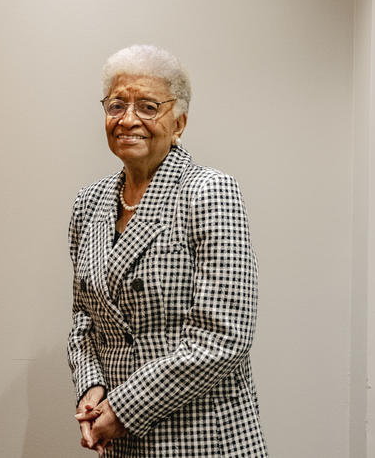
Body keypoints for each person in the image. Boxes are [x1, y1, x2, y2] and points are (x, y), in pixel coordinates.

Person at [68, 45, 268, 457]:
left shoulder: (210, 192)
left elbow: (224, 337)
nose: (127, 119)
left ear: (179, 123)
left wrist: (120, 410)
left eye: (147, 106)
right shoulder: (87, 204)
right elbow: (83, 320)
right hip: (121, 442)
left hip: (200, 439)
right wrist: (91, 389)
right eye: (116, 104)